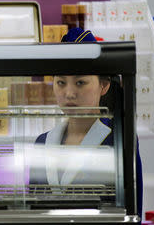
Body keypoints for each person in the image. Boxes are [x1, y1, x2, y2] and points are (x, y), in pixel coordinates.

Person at [29, 28, 143, 217]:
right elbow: (34, 211)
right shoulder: (42, 142)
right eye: (61, 82)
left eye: (80, 82)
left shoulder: (119, 139)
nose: (69, 93)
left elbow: (133, 211)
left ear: (104, 85)